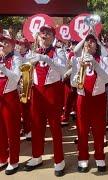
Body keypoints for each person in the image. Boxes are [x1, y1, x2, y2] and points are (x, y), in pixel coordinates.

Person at [23, 25, 67, 177]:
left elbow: (63, 70)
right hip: (37, 92)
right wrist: (30, 61)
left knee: (55, 127)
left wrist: (47, 59)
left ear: (53, 36)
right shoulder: (32, 51)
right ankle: (37, 156)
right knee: (36, 126)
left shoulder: (59, 51)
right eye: (42, 33)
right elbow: (25, 69)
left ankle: (59, 160)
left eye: (48, 33)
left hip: (53, 92)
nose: (44, 35)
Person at [70, 33, 108, 172]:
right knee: (82, 130)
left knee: (99, 130)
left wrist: (95, 64)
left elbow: (106, 79)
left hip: (98, 98)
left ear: (96, 46)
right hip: (82, 98)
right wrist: (78, 72)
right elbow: (73, 84)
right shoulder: (76, 60)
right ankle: (83, 158)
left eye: (92, 42)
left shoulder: (104, 60)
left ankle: (99, 157)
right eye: (87, 41)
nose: (89, 43)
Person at [0, 33, 22, 175]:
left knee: (12, 130)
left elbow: (16, 77)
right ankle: (2, 157)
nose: (2, 44)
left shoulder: (16, 58)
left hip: (10, 96)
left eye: (5, 41)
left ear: (12, 44)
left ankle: (13, 161)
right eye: (1, 41)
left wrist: (3, 67)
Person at [15, 37, 32, 140]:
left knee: (26, 109)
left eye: (20, 44)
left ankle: (28, 130)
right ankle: (18, 129)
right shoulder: (15, 55)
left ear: (25, 46)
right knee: (16, 109)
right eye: (17, 44)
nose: (18, 46)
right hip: (15, 85)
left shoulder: (29, 56)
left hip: (26, 84)